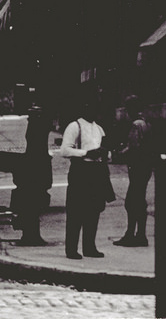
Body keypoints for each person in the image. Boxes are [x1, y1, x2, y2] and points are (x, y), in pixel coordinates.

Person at [60, 92, 112, 259]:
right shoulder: (75, 126)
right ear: (85, 107)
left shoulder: (99, 129)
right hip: (80, 171)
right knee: (76, 211)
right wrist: (86, 153)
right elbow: (65, 150)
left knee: (93, 211)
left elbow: (106, 151)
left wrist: (105, 154)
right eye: (92, 107)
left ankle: (89, 247)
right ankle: (71, 249)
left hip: (97, 172)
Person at [113, 95, 152, 247]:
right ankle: (140, 234)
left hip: (138, 166)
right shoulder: (146, 122)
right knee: (139, 201)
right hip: (145, 166)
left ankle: (132, 234)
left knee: (131, 202)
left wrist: (119, 153)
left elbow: (133, 147)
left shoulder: (136, 124)